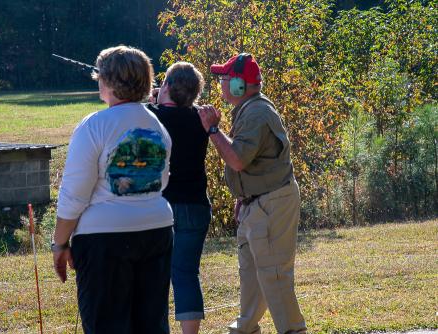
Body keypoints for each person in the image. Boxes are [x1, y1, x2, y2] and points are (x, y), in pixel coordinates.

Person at [52, 45, 173, 334]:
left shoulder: (94, 125)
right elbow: (161, 180)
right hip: (157, 230)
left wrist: (59, 243)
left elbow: (74, 194)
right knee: (151, 325)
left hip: (104, 241)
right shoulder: (157, 125)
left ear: (108, 82)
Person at [198, 53, 307, 334]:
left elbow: (237, 159)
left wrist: (212, 129)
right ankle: (245, 328)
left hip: (270, 205)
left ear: (238, 85)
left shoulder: (257, 113)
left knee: (275, 276)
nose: (220, 84)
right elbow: (255, 161)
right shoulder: (249, 109)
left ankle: (293, 331)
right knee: (252, 276)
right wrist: (242, 195)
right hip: (256, 203)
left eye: (224, 79)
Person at [146, 62, 211, 334]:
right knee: (186, 274)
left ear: (169, 86)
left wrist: (152, 99)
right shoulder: (201, 118)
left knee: (156, 276)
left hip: (163, 207)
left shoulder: (151, 115)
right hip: (196, 204)